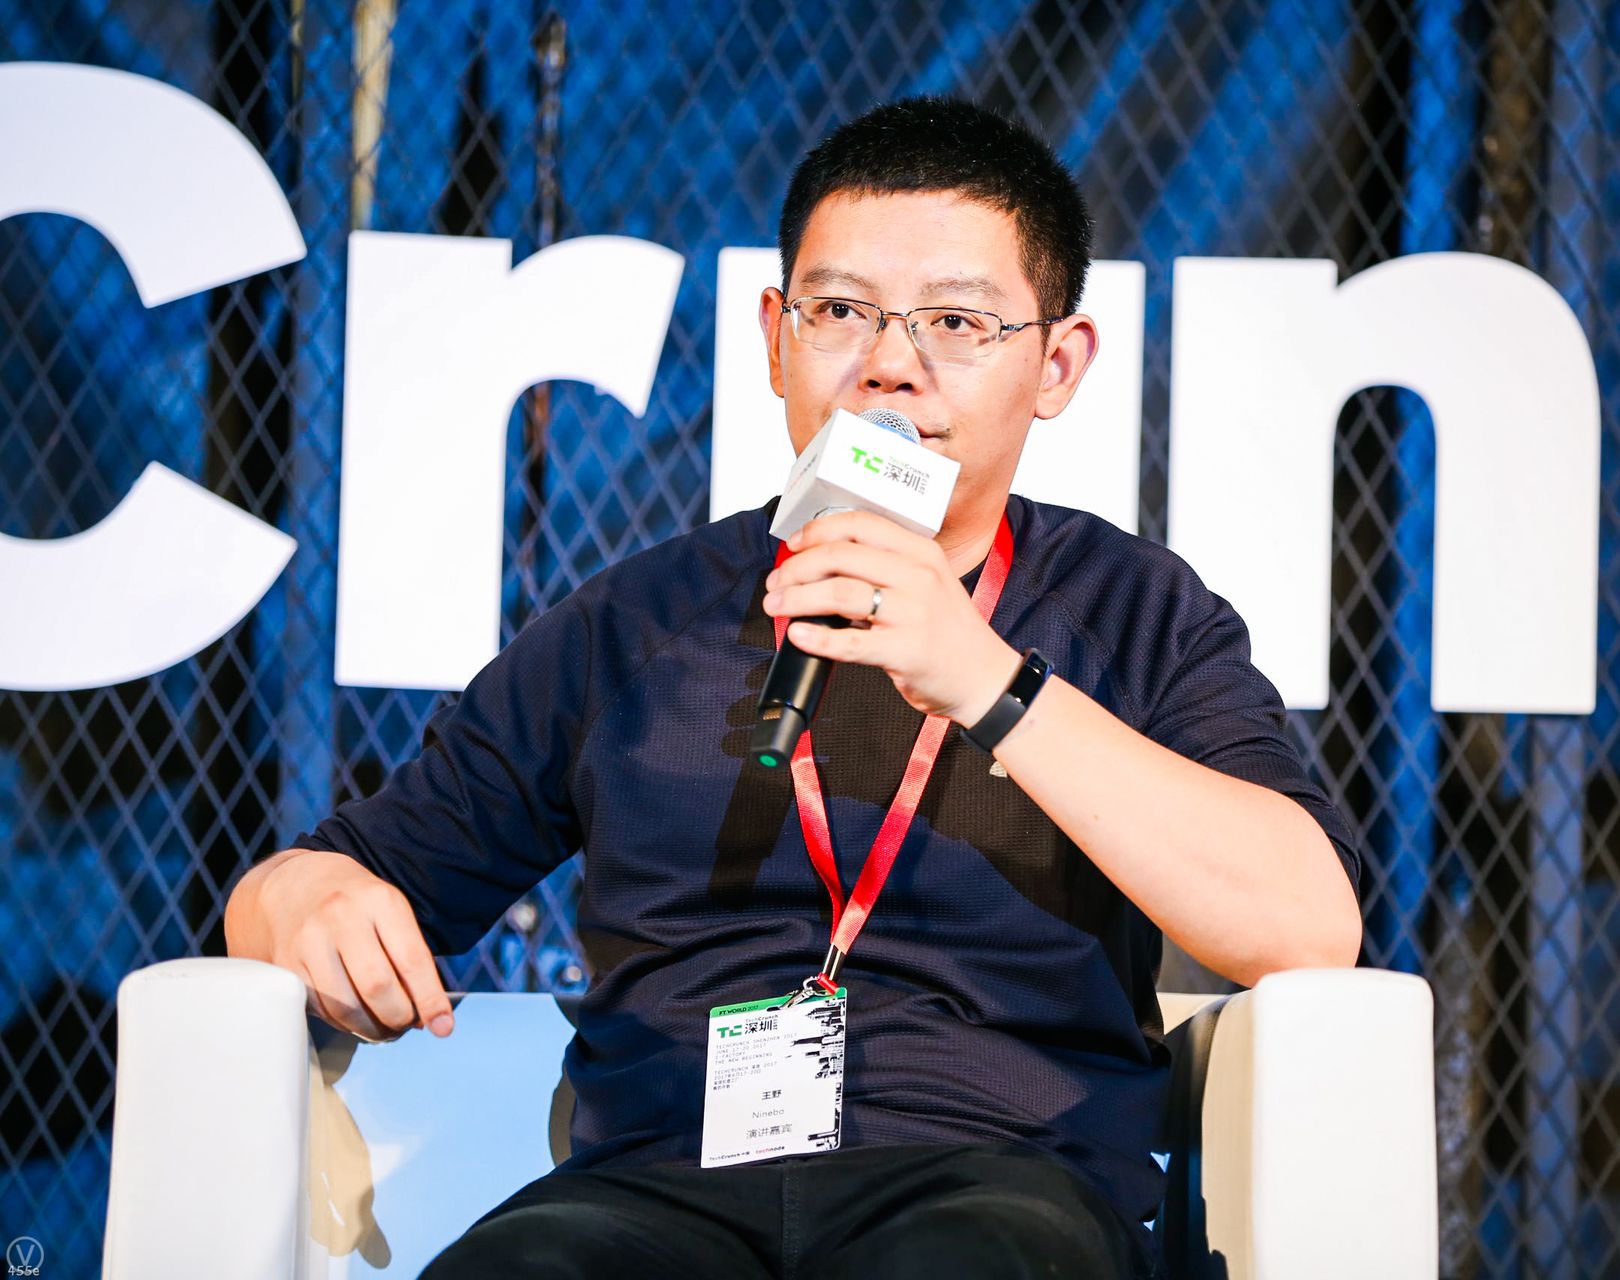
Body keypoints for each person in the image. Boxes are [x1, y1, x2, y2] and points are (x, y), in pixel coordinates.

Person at [223, 95, 1363, 1280]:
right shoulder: (634, 623)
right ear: (776, 338)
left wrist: (987, 679)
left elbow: (1308, 921)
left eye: (957, 322)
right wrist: (300, 899)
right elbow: (315, 881)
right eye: (841, 311)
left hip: (997, 1183)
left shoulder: (1133, 612)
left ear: (1057, 364)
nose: (890, 366)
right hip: (655, 1191)